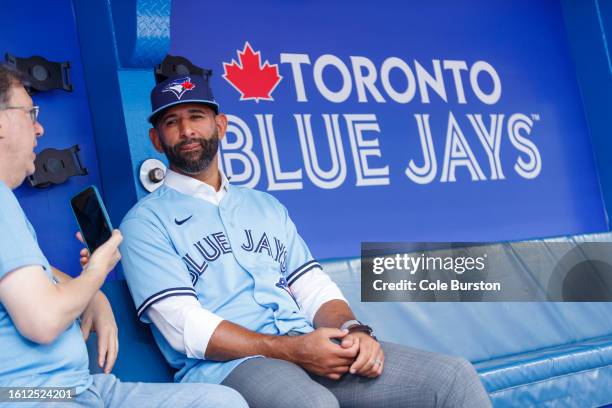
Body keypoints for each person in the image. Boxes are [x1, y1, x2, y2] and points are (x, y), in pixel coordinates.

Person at [119, 74, 492, 408]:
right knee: (310, 403)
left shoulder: (264, 205)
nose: (187, 131)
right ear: (156, 138)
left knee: (452, 378)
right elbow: (184, 326)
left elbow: (311, 285)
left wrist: (353, 330)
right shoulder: (144, 223)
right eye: (172, 122)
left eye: (196, 117)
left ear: (221, 125)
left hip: (309, 344)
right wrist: (293, 351)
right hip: (231, 366)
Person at [0, 65, 247, 408]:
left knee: (222, 402)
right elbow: (42, 320)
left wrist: (92, 294)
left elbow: (26, 276)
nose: (40, 128)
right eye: (31, 113)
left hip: (83, 386)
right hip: (33, 395)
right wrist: (98, 271)